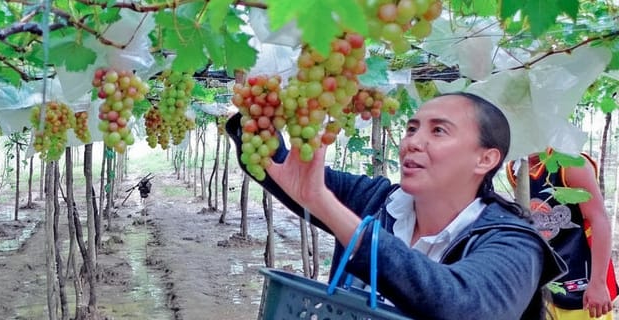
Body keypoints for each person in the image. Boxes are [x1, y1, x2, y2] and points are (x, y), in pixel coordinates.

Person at [227, 92, 567, 319]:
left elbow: (462, 306)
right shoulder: (379, 201)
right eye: (412, 128)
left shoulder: (515, 244)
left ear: (485, 159)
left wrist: (326, 206)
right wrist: (267, 100)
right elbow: (282, 169)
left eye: (438, 132)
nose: (413, 142)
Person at [507, 149, 618, 319]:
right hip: (544, 281)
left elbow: (599, 220)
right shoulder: (516, 169)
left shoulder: (571, 164)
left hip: (581, 280)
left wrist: (598, 283)